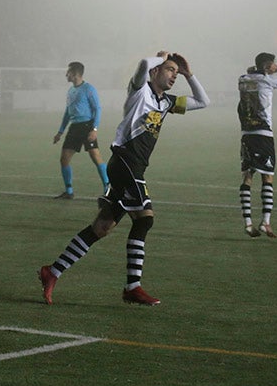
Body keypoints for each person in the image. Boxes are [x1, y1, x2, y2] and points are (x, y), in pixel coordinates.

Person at [38, 52, 209, 306]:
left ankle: (53, 271)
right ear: (155, 72)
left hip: (130, 168)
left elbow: (203, 101)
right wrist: (158, 57)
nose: (174, 75)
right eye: (170, 70)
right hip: (126, 165)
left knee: (102, 227)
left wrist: (189, 74)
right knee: (145, 219)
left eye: (175, 72)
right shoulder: (140, 91)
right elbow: (142, 65)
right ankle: (132, 286)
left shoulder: (167, 103)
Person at [237, 52, 277, 238]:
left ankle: (248, 223)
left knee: (247, 177)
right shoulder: (268, 81)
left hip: (246, 134)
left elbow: (250, 75)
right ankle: (266, 222)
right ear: (268, 66)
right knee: (267, 178)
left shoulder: (242, 79)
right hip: (263, 134)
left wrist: (259, 70)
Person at [52, 61, 109, 198]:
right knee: (64, 159)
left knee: (95, 156)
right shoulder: (71, 90)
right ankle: (69, 191)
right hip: (74, 128)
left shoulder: (89, 89)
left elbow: (97, 109)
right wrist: (60, 132)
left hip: (86, 126)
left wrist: (94, 129)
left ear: (76, 74)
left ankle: (108, 186)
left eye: (69, 72)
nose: (66, 74)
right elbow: (67, 112)